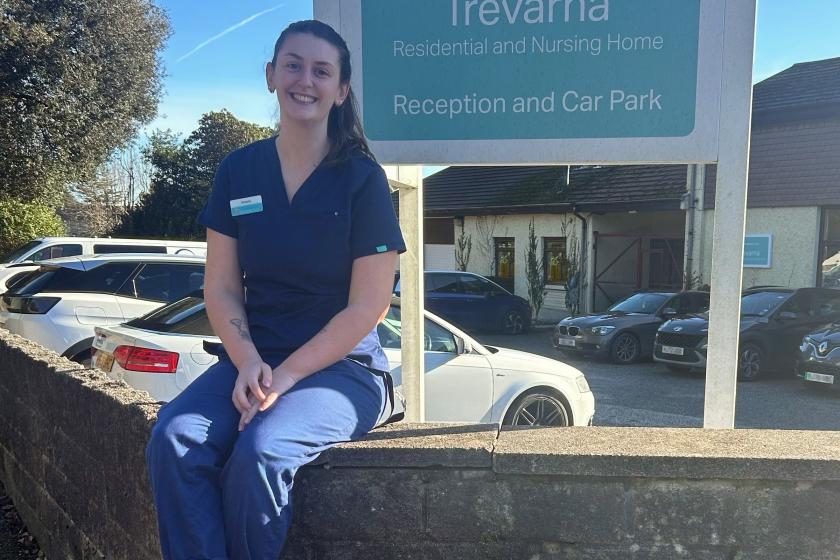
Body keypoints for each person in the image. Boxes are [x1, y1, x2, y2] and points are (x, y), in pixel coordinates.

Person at [145, 20, 405, 560]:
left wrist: (283, 378)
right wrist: (247, 363)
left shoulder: (362, 180)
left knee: (261, 451)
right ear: (270, 76)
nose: (304, 80)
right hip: (253, 362)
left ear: (341, 91)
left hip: (343, 372)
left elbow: (369, 306)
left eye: (321, 70)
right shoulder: (239, 171)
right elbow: (219, 288)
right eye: (292, 64)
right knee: (174, 440)